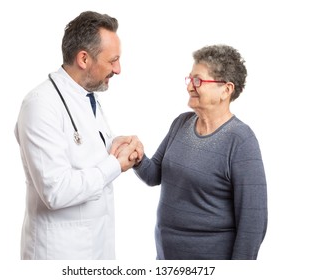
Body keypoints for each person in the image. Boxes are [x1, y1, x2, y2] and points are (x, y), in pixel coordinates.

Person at [14, 11, 142, 260]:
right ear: (84, 58)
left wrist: (114, 145)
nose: (118, 69)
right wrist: (115, 164)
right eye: (113, 60)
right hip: (59, 254)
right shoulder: (40, 105)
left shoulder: (87, 95)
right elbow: (56, 191)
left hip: (96, 249)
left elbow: (85, 151)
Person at [130, 44, 268, 259]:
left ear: (226, 90)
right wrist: (137, 157)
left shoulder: (241, 140)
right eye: (189, 79)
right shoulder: (181, 123)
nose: (189, 87)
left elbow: (253, 223)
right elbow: (153, 174)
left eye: (198, 80)